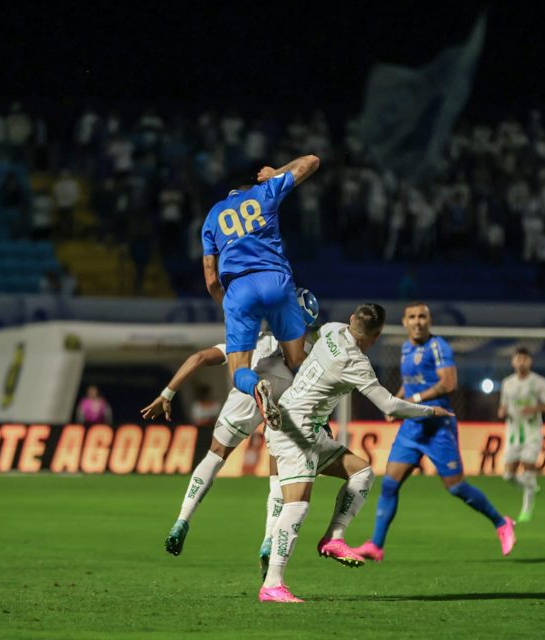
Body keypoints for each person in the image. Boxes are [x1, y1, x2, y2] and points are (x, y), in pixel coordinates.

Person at [260, 303, 453, 603]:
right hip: (295, 433)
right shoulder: (357, 364)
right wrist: (430, 410)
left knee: (361, 472)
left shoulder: (332, 330)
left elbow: (318, 333)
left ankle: (334, 538)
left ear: (351, 320)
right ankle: (272, 583)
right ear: (375, 338)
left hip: (305, 428)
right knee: (296, 506)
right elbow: (389, 405)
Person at [140, 291, 319, 561]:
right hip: (284, 397)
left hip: (247, 393)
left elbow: (198, 358)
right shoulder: (308, 352)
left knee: (216, 454)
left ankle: (182, 519)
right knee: (277, 472)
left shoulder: (252, 340)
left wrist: (167, 393)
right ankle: (269, 539)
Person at [353, 302, 516, 563]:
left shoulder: (438, 346)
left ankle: (502, 523)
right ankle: (376, 545)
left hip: (438, 426)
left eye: (422, 317)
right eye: (412, 317)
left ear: (429, 321)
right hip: (412, 428)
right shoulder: (406, 348)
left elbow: (449, 382)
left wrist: (415, 399)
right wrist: (396, 402)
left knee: (457, 488)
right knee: (389, 484)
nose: (417, 322)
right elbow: (409, 383)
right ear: (405, 322)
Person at [201, 155, 319, 423]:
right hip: (275, 280)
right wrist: (276, 172)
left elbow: (210, 280)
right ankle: (315, 417)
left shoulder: (212, 217)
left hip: (239, 288)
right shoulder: (264, 192)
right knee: (298, 360)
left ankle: (257, 388)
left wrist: (229, 305)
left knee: (239, 370)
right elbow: (312, 161)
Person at [497, 347, 545, 522]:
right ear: (513, 362)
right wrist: (501, 411)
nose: (521, 361)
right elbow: (504, 406)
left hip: (532, 432)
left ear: (530, 362)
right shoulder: (507, 383)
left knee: (528, 465)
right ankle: (531, 487)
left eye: (525, 358)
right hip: (513, 433)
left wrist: (535, 408)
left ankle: (526, 510)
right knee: (508, 475)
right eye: (518, 358)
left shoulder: (539, 382)